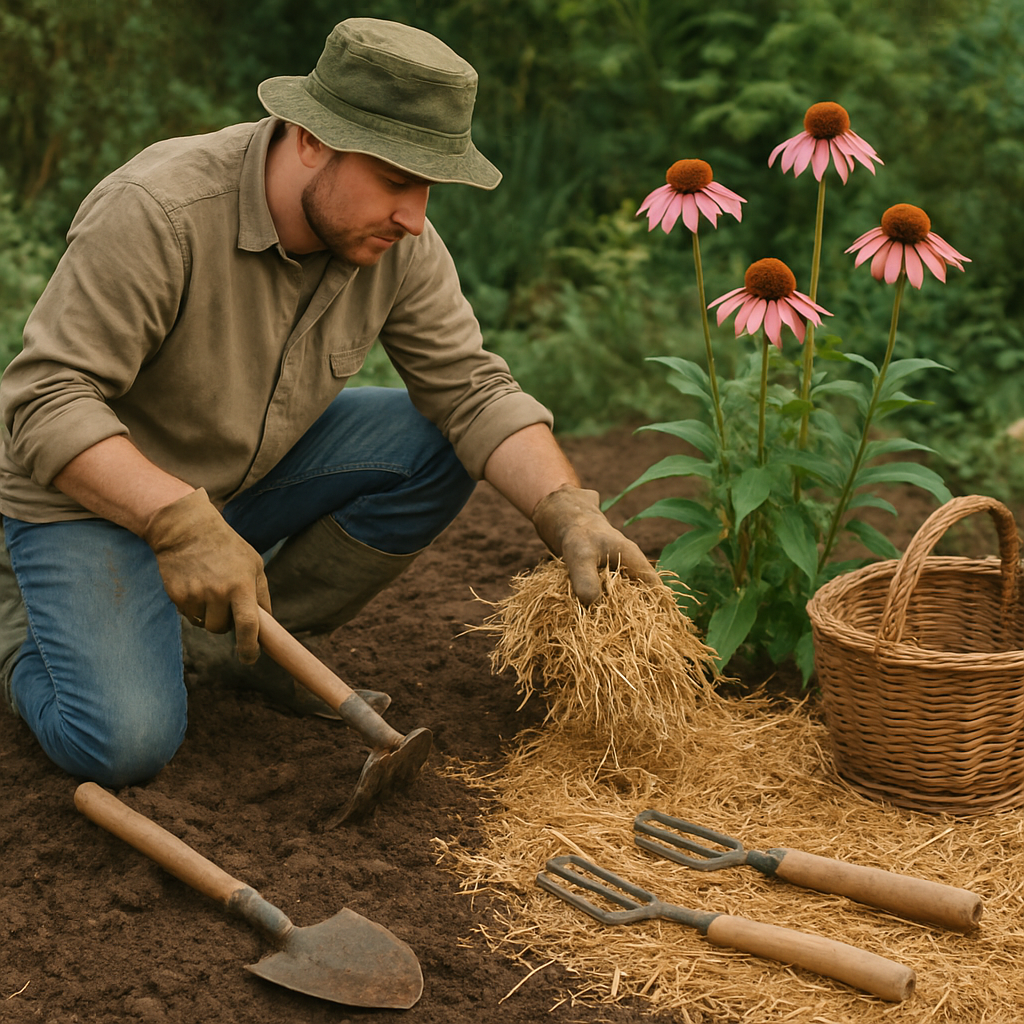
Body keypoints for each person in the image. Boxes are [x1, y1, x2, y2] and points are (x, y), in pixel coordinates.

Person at [0, 18, 656, 788]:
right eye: (397, 181)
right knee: (124, 744)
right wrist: (176, 522)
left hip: (232, 492)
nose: (415, 216)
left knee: (436, 440)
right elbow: (46, 398)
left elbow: (472, 389)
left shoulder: (396, 241)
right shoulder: (160, 210)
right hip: (85, 503)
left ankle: (239, 641)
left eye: (428, 188)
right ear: (311, 139)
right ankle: (23, 625)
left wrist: (566, 508)